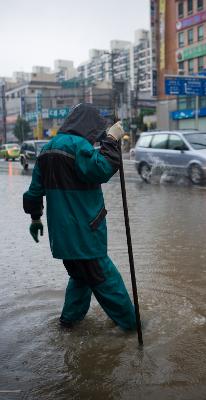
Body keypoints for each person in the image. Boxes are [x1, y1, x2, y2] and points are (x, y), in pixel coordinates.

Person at [23, 103, 136, 331]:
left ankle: (68, 324)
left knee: (81, 278)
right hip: (85, 234)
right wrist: (112, 141)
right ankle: (132, 327)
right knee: (106, 280)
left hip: (62, 237)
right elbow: (102, 168)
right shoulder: (77, 146)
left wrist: (36, 218)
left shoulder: (46, 150)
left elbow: (34, 193)